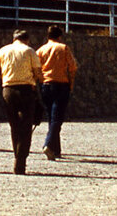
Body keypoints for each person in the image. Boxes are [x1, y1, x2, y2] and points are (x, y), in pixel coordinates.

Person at [0, 28, 43, 174]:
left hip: (8, 89)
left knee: (14, 125)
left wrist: (9, 75)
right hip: (26, 90)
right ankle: (21, 161)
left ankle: (17, 155)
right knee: (26, 126)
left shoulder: (2, 50)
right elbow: (38, 72)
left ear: (14, 38)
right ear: (26, 39)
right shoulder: (29, 51)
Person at [36, 25, 78, 161]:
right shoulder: (63, 48)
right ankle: (48, 144)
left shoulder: (41, 50)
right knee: (57, 118)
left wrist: (41, 80)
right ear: (59, 36)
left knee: (51, 117)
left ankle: (56, 149)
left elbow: (36, 69)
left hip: (46, 85)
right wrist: (71, 84)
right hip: (61, 85)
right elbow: (73, 67)